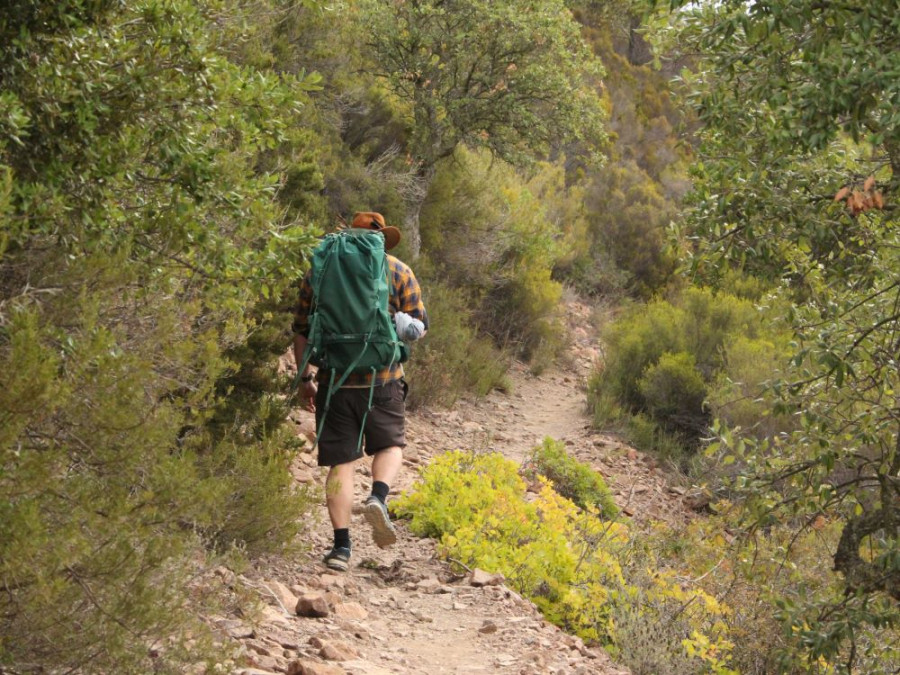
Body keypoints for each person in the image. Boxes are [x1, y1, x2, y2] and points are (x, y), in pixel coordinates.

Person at [292, 212, 428, 572]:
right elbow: (419, 326)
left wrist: (305, 378)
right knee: (390, 446)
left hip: (335, 380)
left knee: (341, 462)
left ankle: (340, 548)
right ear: (380, 237)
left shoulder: (320, 270)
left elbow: (302, 328)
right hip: (382, 378)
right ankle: (378, 497)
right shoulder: (397, 270)